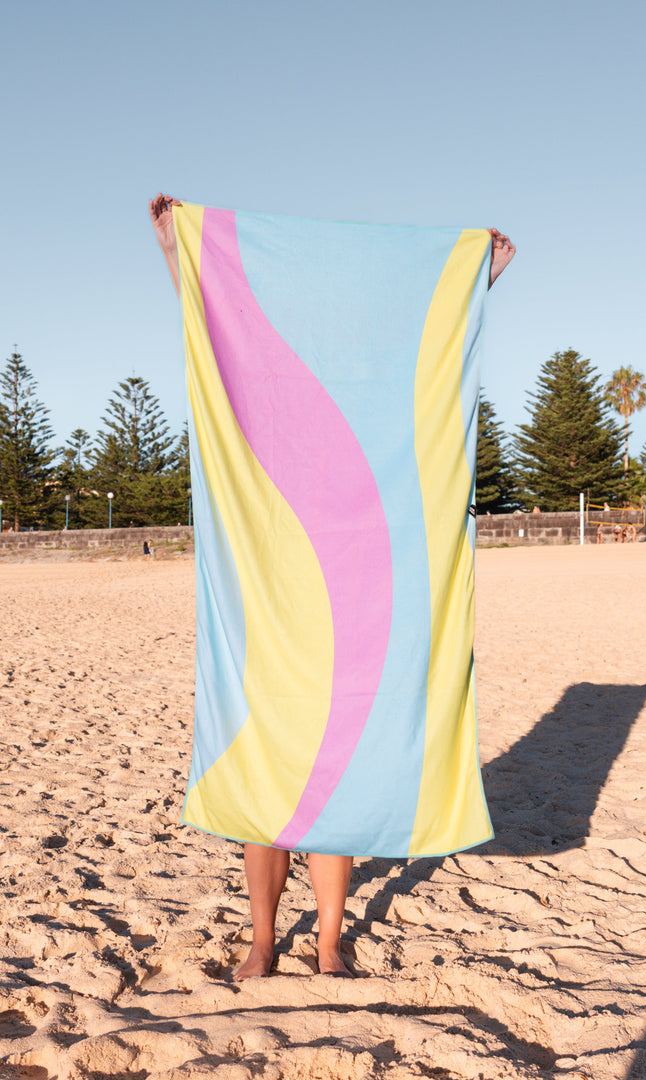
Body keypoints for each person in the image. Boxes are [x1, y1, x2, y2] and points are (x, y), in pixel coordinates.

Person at [149, 194, 515, 980]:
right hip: (269, 596)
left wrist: (472, 282)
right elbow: (223, 334)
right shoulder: (268, 414)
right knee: (265, 779)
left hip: (351, 593)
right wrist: (181, 254)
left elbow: (413, 350)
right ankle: (259, 940)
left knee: (339, 780)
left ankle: (326, 941)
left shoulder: (358, 415)